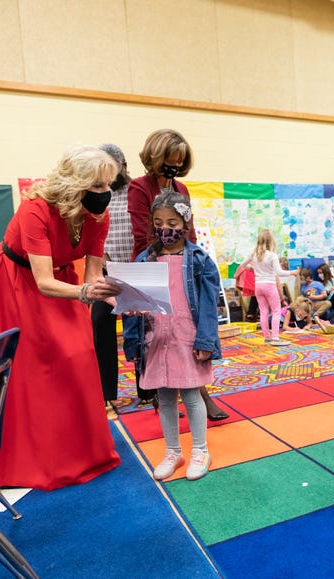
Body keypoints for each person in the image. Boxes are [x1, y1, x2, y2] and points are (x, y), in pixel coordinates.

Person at [0, 144, 123, 490]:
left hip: (64, 281)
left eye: (108, 186)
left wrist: (112, 296)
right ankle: (35, 458)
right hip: (15, 280)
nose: (106, 194)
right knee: (33, 364)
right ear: (76, 183)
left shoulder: (99, 216)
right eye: (99, 186)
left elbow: (91, 274)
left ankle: (83, 452)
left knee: (79, 354)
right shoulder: (36, 209)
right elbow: (42, 282)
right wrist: (87, 294)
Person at [132, 192, 222, 482]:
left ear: (186, 222)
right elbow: (134, 303)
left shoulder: (199, 260)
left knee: (192, 395)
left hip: (187, 335)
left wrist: (206, 341)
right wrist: (133, 340)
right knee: (165, 397)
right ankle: (173, 451)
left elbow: (209, 304)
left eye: (172, 222)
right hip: (156, 337)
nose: (165, 228)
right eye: (159, 222)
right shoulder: (145, 259)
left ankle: (200, 450)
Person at [90, 143, 133, 418]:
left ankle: (149, 392)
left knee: (140, 330)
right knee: (99, 326)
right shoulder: (98, 192)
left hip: (135, 271)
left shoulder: (135, 191)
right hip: (106, 271)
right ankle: (106, 395)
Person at [128, 129, 196, 260]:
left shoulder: (182, 189)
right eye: (171, 162)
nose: (175, 166)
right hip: (150, 261)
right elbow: (143, 236)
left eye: (179, 162)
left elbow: (190, 231)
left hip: (182, 262)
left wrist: (192, 258)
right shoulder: (139, 187)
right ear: (157, 159)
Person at [241, 229, 298, 347]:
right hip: (269, 286)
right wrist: (292, 272)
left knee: (263, 312)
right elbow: (279, 272)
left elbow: (242, 265)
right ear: (270, 241)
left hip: (258, 286)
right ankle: (275, 338)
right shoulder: (272, 256)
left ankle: (267, 337)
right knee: (276, 311)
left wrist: (250, 267)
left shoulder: (254, 254)